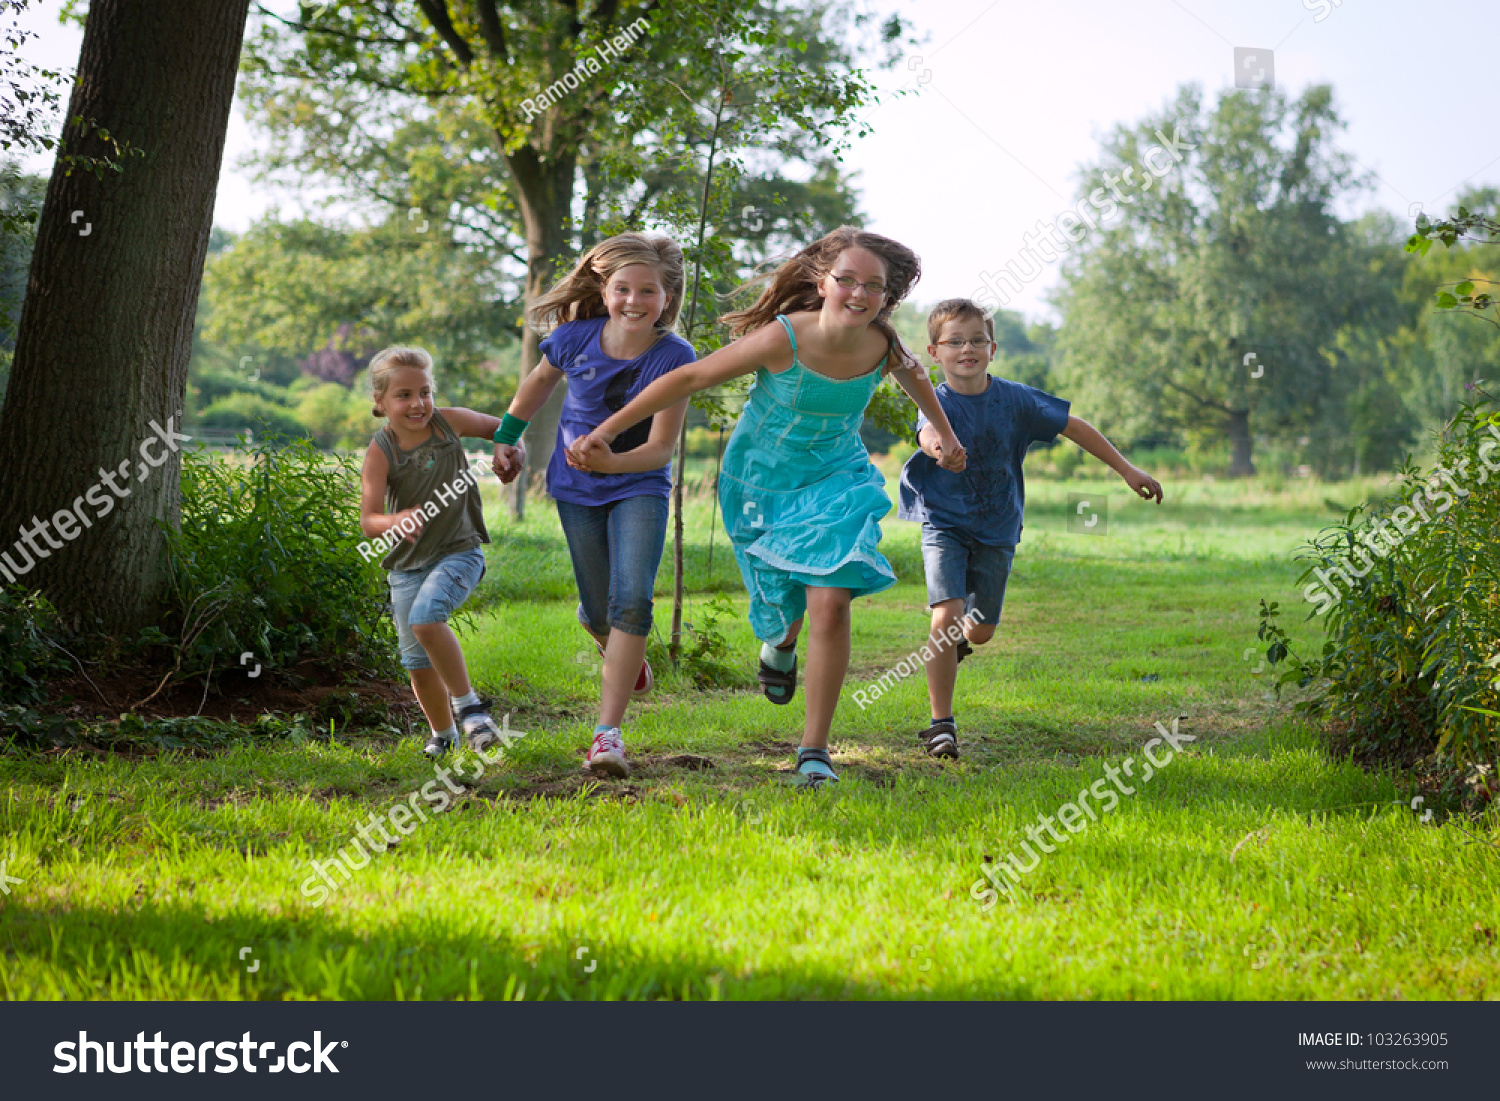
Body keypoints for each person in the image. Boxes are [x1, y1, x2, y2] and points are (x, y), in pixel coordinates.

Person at [568, 227, 966, 788]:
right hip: (759, 485)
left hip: (836, 478)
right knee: (784, 608)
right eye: (846, 280)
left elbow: (916, 377)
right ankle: (779, 644)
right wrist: (607, 433)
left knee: (831, 600)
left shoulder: (882, 343)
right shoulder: (785, 339)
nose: (858, 293)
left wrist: (945, 435)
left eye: (872, 286)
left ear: (887, 295)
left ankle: (813, 752)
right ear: (822, 282)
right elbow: (690, 376)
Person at [897, 298, 1163, 759]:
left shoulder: (1016, 399)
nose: (967, 348)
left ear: (993, 347)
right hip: (944, 520)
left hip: (998, 525)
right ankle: (942, 724)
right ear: (934, 351)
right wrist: (941, 449)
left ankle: (960, 642)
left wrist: (1127, 470)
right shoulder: (934, 400)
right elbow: (926, 433)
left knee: (979, 632)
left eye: (977, 340)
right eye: (955, 341)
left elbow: (1074, 426)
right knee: (945, 616)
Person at [490, 233, 696, 779]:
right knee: (602, 611)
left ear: (667, 297)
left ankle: (607, 736)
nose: (634, 301)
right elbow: (537, 384)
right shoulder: (574, 338)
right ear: (604, 291)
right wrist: (506, 437)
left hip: (639, 487)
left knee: (632, 601)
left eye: (647, 291)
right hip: (575, 490)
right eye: (622, 289)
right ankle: (610, 637)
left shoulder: (675, 357)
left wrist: (609, 464)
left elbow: (658, 449)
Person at [359, 345, 507, 760]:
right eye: (403, 395)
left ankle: (471, 710)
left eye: (424, 392)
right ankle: (444, 735)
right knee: (417, 665)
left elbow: (507, 428)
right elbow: (369, 521)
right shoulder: (381, 450)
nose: (417, 403)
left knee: (427, 619)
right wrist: (395, 520)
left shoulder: (450, 423)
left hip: (459, 551)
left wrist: (508, 450)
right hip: (406, 569)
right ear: (381, 402)